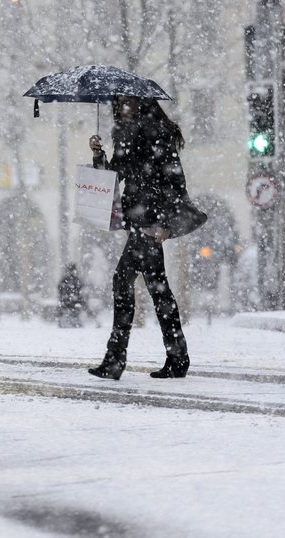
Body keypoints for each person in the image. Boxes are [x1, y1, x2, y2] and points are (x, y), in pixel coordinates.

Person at [88, 95, 207, 380]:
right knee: (157, 288)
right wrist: (97, 154)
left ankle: (117, 359)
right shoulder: (126, 137)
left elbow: (176, 182)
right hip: (139, 222)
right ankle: (176, 357)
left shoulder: (158, 136)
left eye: (125, 103)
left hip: (150, 223)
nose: (120, 109)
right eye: (117, 105)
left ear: (140, 105)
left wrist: (166, 224)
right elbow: (114, 178)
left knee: (130, 282)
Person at [56, 263, 85, 328]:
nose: (71, 272)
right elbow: (60, 289)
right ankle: (67, 321)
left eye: (72, 271)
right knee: (64, 310)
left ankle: (73, 320)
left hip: (74, 301)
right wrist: (65, 296)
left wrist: (75, 296)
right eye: (70, 271)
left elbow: (79, 289)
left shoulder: (76, 280)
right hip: (67, 301)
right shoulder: (65, 280)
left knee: (74, 309)